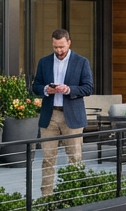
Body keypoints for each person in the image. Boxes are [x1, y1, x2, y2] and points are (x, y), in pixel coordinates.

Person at [31, 29, 94, 198]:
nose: (59, 50)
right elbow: (35, 86)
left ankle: (74, 196)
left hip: (72, 117)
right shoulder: (44, 62)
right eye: (55, 47)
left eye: (61, 47)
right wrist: (46, 89)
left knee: (74, 158)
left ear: (69, 43)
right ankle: (46, 197)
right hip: (49, 116)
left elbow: (88, 87)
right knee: (48, 159)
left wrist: (68, 89)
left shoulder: (81, 62)